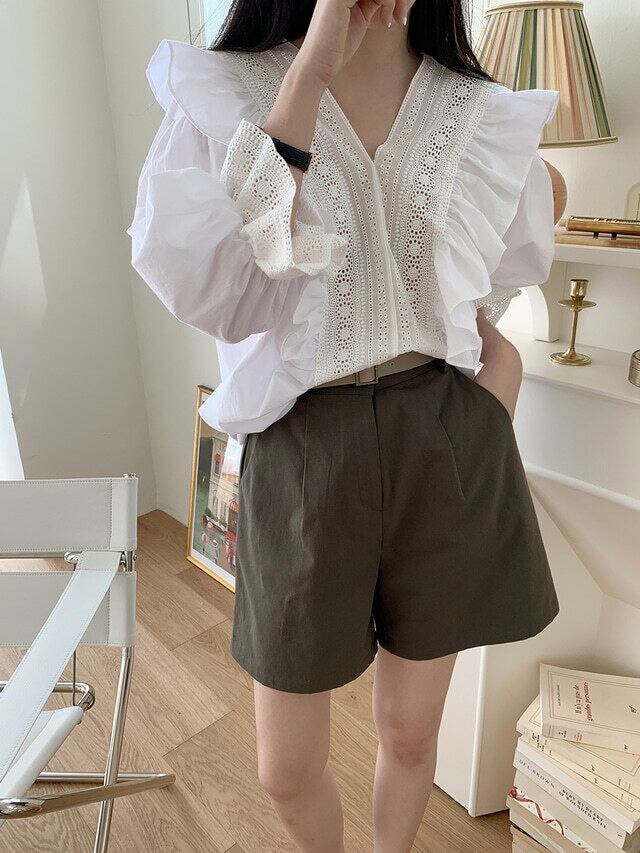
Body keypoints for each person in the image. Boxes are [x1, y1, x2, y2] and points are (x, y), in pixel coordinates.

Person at [127, 1, 564, 849]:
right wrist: (311, 72)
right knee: (284, 768)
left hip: (442, 434)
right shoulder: (226, 91)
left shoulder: (475, 109)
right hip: (303, 444)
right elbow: (215, 289)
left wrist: (491, 398)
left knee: (410, 730)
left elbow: (483, 287)